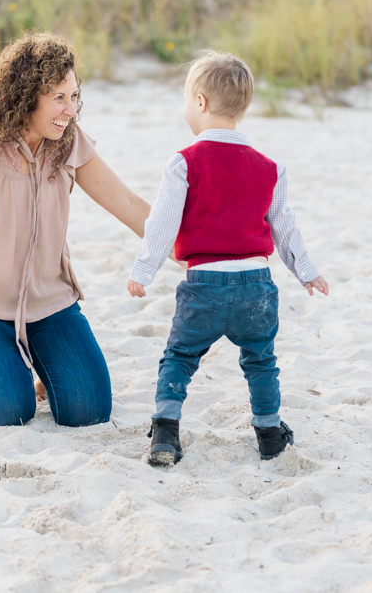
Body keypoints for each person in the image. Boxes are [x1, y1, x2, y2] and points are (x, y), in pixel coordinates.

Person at [0, 31, 150, 428]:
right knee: (8, 412)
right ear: (27, 96)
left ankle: (39, 372)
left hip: (50, 304)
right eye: (58, 97)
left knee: (88, 409)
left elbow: (125, 203)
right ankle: (10, 367)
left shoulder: (69, 143)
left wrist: (186, 247)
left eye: (74, 96)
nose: (70, 110)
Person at [127, 51, 329, 466]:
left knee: (180, 357)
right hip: (256, 285)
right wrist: (307, 273)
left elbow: (162, 222)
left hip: (204, 285)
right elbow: (284, 227)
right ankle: (270, 433)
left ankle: (165, 432)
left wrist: (143, 270)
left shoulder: (184, 162)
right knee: (261, 361)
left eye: (186, 100)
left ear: (199, 102)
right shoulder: (271, 169)